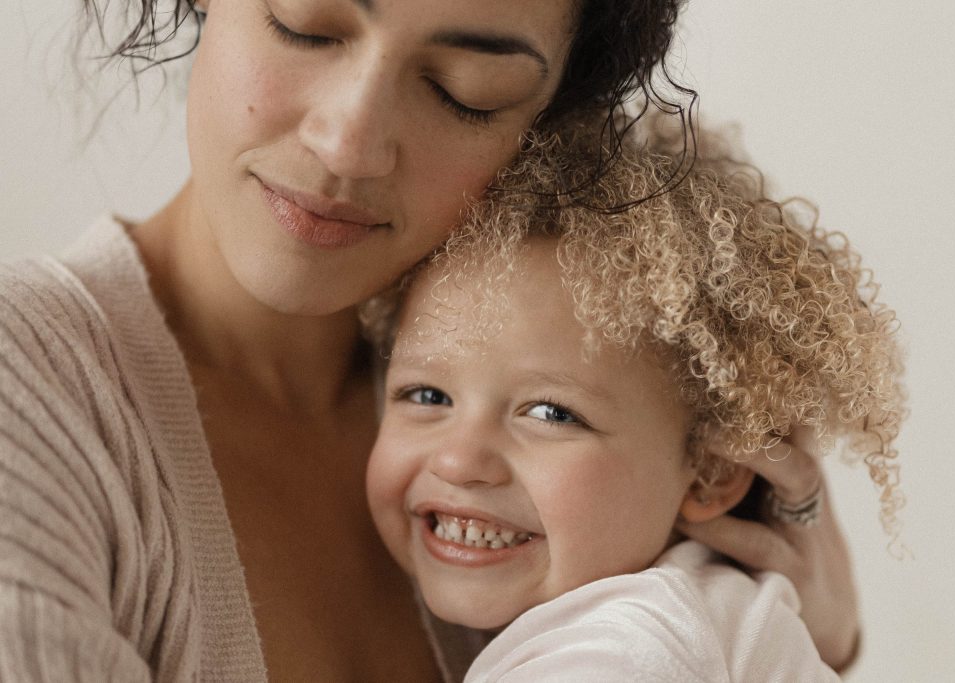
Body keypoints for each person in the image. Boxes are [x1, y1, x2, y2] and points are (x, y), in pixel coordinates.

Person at [0, 0, 862, 679]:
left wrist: (797, 633)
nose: (348, 144)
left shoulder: (611, 389)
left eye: (462, 87)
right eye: (305, 24)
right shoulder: (31, 393)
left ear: (551, 121)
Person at [364, 128, 902, 681]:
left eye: (551, 413)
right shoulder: (705, 612)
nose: (457, 461)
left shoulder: (624, 650)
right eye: (427, 395)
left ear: (711, 473)